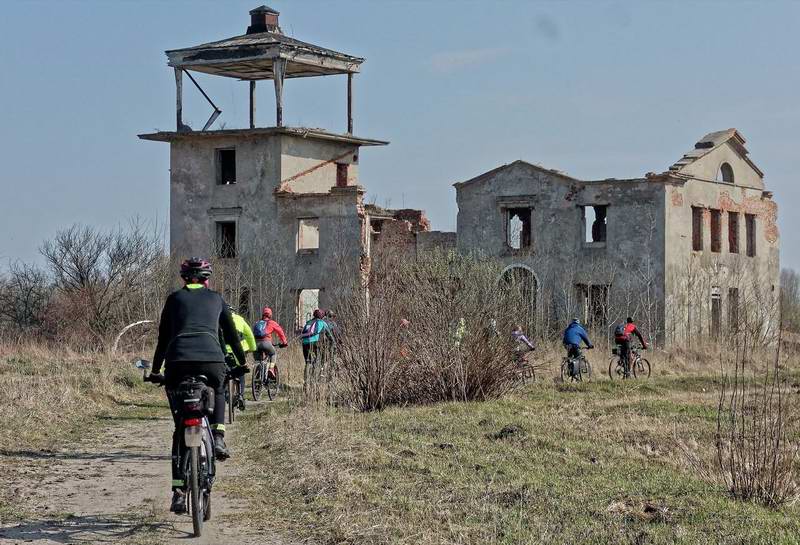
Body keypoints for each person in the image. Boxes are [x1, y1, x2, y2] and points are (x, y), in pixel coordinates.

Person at [148, 257, 247, 514]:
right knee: (221, 388)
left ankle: (179, 492)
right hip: (211, 361)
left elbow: (163, 338)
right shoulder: (216, 299)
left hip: (178, 362)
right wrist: (242, 362)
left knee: (180, 426)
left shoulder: (173, 300)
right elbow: (232, 335)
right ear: (206, 279)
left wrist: (156, 370)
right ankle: (219, 436)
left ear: (184, 278)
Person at [225, 305, 257, 410]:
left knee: (224, 371)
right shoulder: (240, 319)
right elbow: (249, 335)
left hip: (224, 351)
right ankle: (240, 395)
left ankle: (225, 392)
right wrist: (252, 348)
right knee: (241, 371)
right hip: (239, 350)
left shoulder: (219, 319)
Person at [300, 308, 334, 390]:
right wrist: (333, 342)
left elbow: (303, 333)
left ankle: (306, 382)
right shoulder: (322, 323)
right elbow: (329, 335)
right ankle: (316, 376)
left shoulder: (308, 323)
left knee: (308, 361)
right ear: (322, 316)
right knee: (319, 358)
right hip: (315, 343)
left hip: (304, 343)